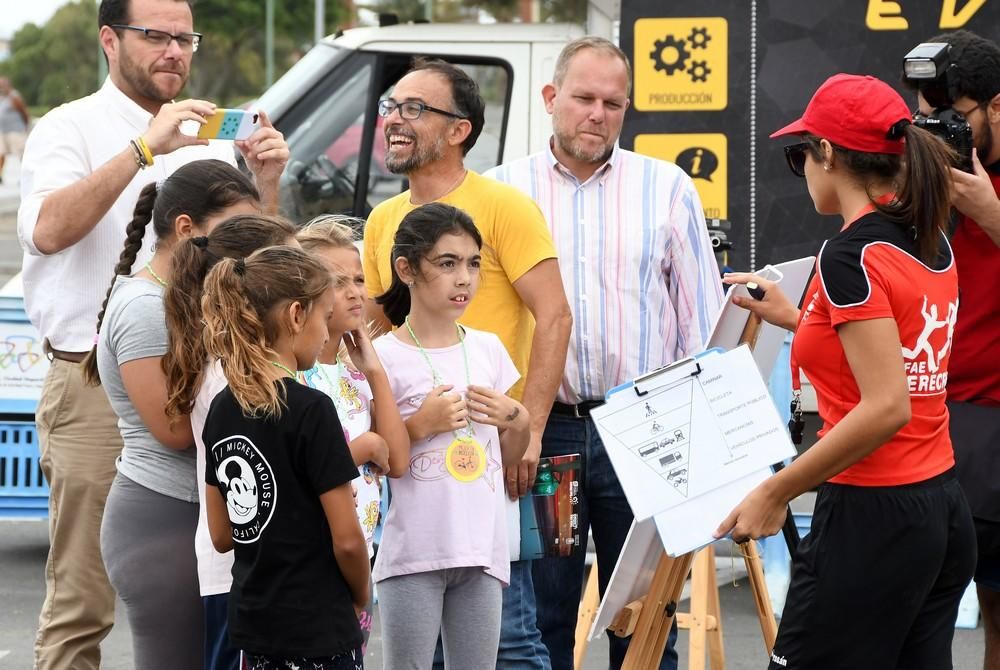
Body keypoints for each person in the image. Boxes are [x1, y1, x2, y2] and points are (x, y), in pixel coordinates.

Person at [16, 0, 286, 665]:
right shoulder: (68, 126)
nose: (175, 51)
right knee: (81, 606)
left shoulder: (216, 134)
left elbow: (256, 264)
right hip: (93, 387)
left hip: (212, 385)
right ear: (110, 40)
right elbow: (47, 231)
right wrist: (143, 150)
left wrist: (269, 183)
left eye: (184, 38)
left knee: (212, 598)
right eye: (156, 36)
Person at [716, 73, 976, 669]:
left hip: (871, 517)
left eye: (798, 153)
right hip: (938, 508)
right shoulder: (930, 235)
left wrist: (775, 492)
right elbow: (894, 350)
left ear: (827, 153)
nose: (801, 168)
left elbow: (887, 405)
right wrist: (793, 316)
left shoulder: (851, 253)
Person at [487, 37, 724, 670]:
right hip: (544, 433)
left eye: (613, 103)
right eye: (585, 98)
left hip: (643, 430)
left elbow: (700, 327)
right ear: (550, 98)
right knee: (539, 620)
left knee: (646, 624)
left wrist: (691, 438)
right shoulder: (500, 193)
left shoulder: (667, 188)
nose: (598, 114)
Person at [362, 57, 571, 667]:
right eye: (391, 108)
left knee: (511, 638)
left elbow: (554, 316)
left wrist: (526, 430)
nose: (396, 121)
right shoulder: (382, 222)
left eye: (415, 109)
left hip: (495, 455)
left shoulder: (504, 207)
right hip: (414, 482)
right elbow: (374, 329)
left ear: (459, 130)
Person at [78, 159, 263, 669]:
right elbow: (176, 430)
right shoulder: (143, 307)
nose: (243, 249)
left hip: (199, 510)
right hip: (164, 516)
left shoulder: (193, 295)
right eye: (232, 232)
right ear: (186, 228)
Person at [372, 202, 531, 669]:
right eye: (447, 264)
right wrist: (420, 425)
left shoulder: (488, 349)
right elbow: (375, 456)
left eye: (473, 264)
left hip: (481, 550)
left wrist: (517, 422)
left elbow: (507, 457)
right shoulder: (381, 356)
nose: (464, 278)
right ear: (406, 269)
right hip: (412, 552)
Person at [201, 246, 369, 670]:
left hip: (255, 629)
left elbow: (221, 534)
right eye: (324, 317)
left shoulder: (222, 407)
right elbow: (348, 540)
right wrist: (361, 595)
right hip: (319, 630)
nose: (326, 333)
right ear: (296, 315)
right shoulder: (312, 409)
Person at [162, 210, 297, 670]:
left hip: (258, 570)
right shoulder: (230, 377)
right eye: (292, 274)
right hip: (240, 572)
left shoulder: (241, 366)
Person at [905, 29, 1000, 670]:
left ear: (996, 106)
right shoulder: (926, 168)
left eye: (953, 118)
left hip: (993, 415)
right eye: (925, 117)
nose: (939, 132)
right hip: (931, 410)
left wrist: (990, 211)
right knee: (916, 615)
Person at [297, 216, 409, 651]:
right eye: (337, 281)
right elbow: (298, 475)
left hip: (359, 566)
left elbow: (396, 460)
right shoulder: (295, 377)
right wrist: (360, 447)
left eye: (358, 279)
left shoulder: (355, 375)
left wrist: (375, 371)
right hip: (311, 568)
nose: (355, 291)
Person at [0, 77, 29, 183]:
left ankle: (26, 175)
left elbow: (24, 112)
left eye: (3, 85)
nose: (1, 87)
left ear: (8, 85)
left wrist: (26, 126)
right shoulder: (1, 97)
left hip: (15, 130)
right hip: (3, 131)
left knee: (21, 154)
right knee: (1, 154)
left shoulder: (14, 97)